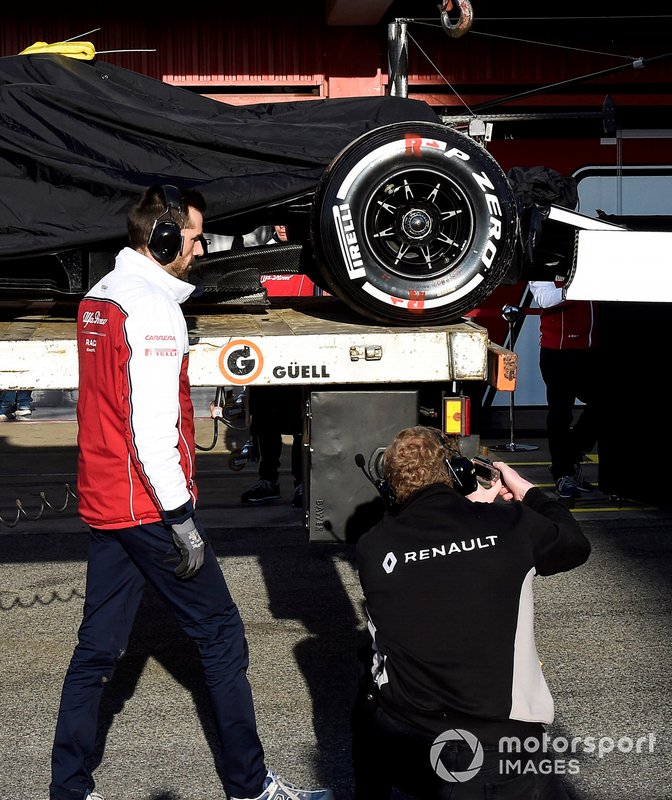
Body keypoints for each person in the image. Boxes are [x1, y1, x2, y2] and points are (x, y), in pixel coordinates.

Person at [49, 184, 333, 800]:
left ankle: (68, 790)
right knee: (222, 637)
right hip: (149, 506)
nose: (200, 248)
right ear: (164, 238)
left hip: (106, 500)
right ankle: (250, 787)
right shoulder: (153, 309)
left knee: (96, 652)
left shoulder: (99, 298)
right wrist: (180, 517)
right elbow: (150, 425)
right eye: (196, 237)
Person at [353, 425, 591, 800]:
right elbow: (575, 545)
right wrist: (526, 492)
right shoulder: (511, 526)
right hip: (496, 749)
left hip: (406, 737)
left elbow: (436, 561)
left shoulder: (372, 547)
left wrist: (466, 511)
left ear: (388, 490)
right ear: (459, 475)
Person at [241, 225, 304, 508]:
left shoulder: (312, 256)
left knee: (303, 424)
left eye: (286, 221)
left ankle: (303, 483)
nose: (281, 226)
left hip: (303, 351)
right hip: (267, 350)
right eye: (276, 221)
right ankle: (268, 481)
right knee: (266, 423)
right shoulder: (260, 254)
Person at [529, 280, 599, 499]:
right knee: (561, 413)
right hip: (558, 352)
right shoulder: (546, 261)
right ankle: (563, 473)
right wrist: (578, 286)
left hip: (590, 351)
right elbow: (544, 298)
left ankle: (569, 456)